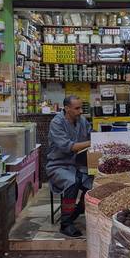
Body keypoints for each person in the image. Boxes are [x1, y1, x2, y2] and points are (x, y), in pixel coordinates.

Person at [46, 95, 92, 237]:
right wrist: (92, 142)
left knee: (95, 183)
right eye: (77, 108)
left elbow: (92, 134)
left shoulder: (82, 121)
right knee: (73, 181)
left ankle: (77, 210)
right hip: (58, 165)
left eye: (81, 108)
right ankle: (65, 223)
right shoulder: (57, 123)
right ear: (66, 108)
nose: (80, 111)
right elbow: (68, 147)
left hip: (78, 164)